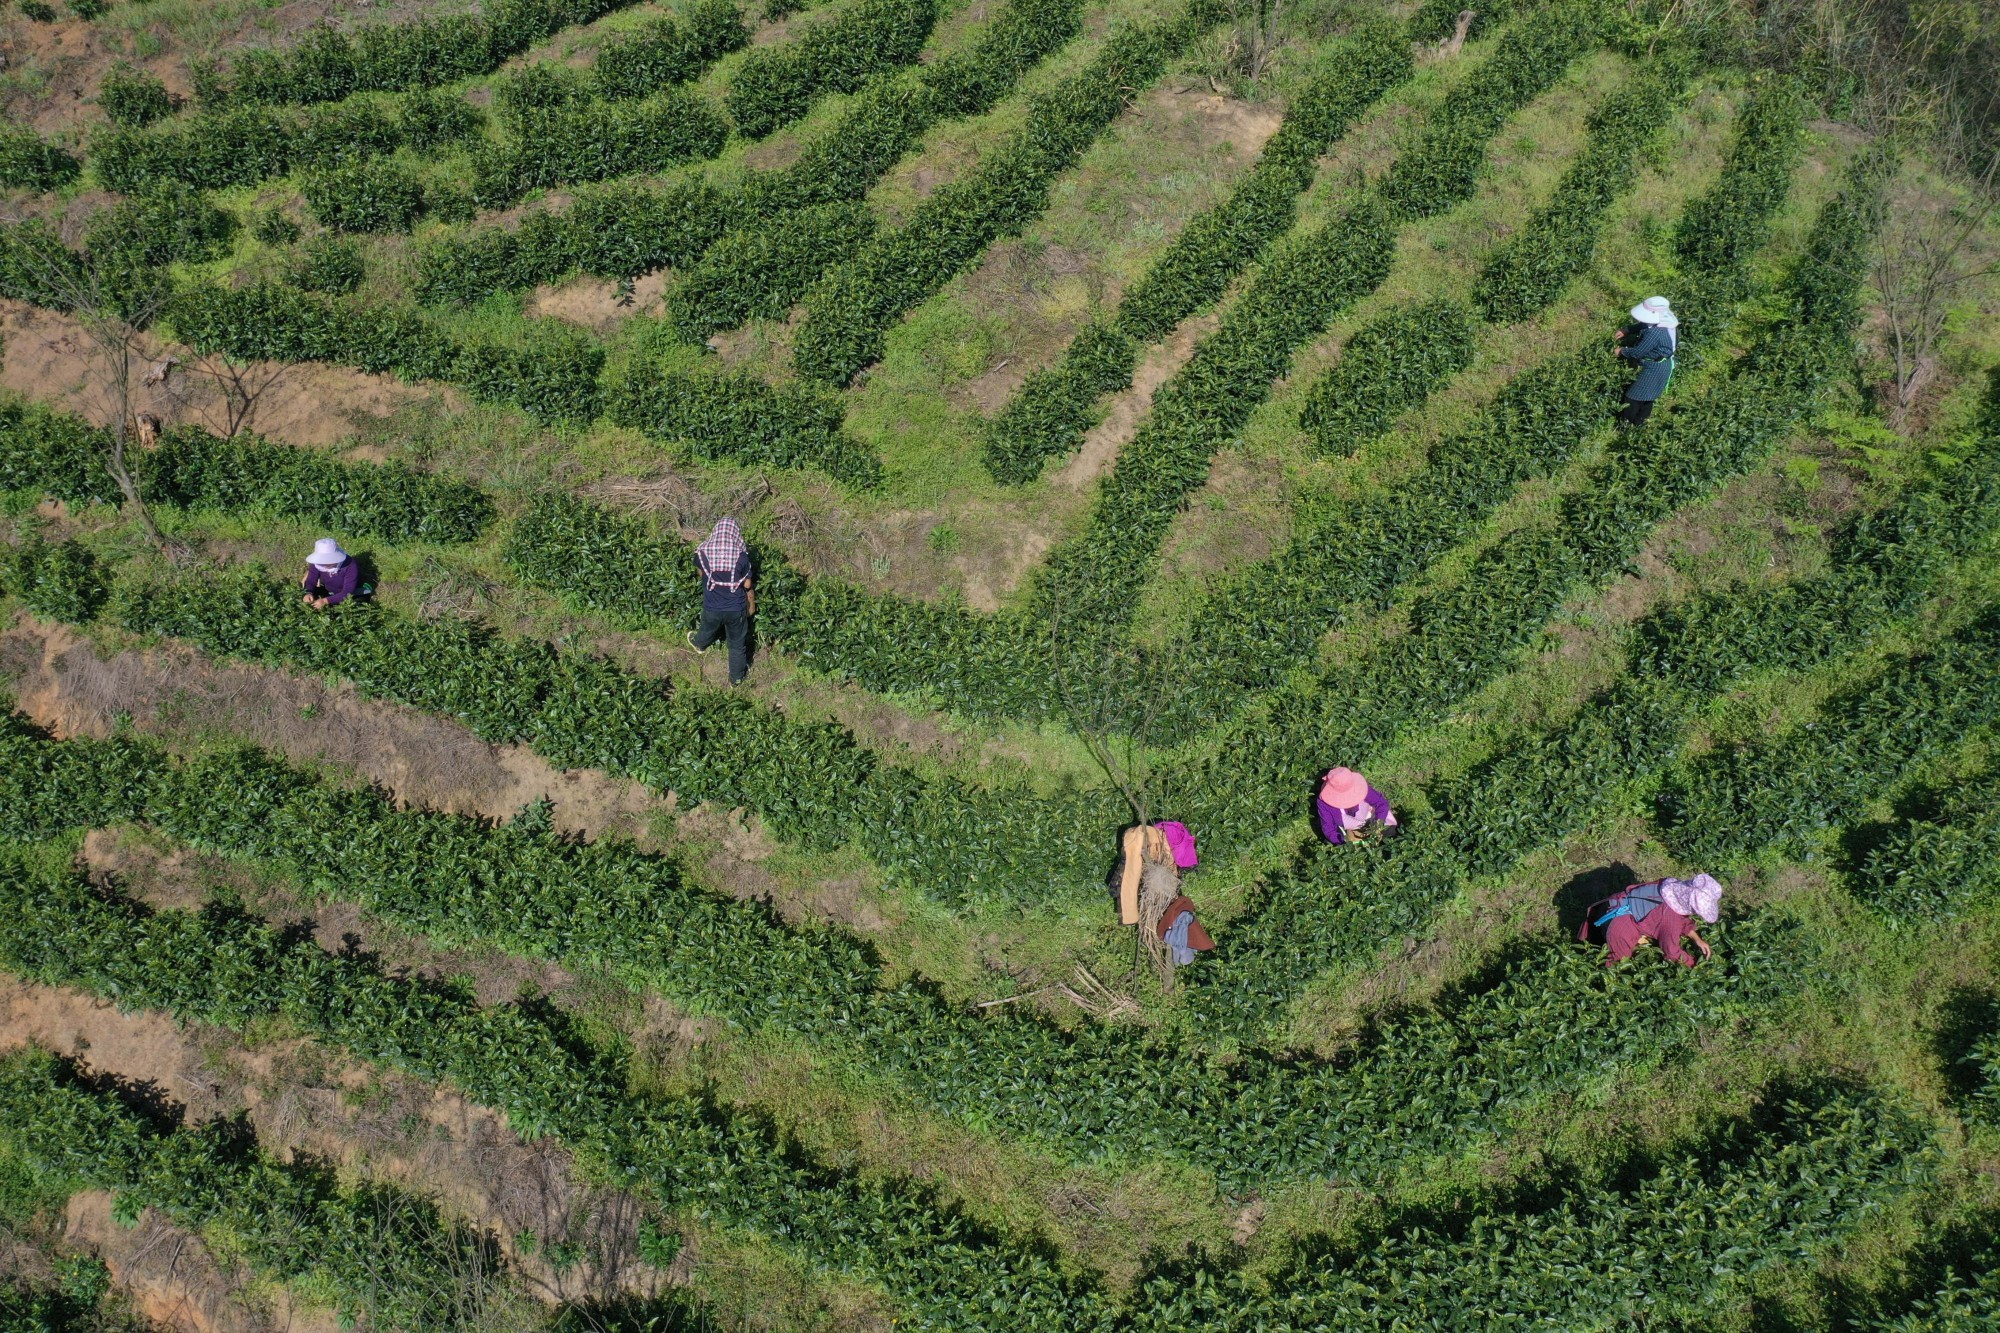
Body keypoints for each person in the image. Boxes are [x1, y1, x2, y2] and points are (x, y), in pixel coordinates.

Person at [1580, 872, 1722, 968]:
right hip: (1618, 926)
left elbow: (1681, 919)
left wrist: (1696, 938)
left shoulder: (1668, 885)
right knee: (1618, 964)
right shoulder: (1670, 919)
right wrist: (1694, 965)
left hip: (1612, 904)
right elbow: (1671, 952)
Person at [687, 517, 755, 686]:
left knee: (707, 627)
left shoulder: (703, 552)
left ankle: (699, 644)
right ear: (734, 533)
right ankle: (736, 679)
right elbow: (747, 584)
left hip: (712, 606)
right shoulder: (741, 555)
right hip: (736, 609)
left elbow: (701, 573)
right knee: (737, 645)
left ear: (716, 531)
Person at [1614, 295, 1678, 427]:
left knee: (1633, 397)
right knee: (1649, 395)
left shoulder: (1655, 333)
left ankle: (1625, 426)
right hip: (1662, 365)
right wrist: (1628, 330)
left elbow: (1637, 352)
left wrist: (1621, 351)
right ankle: (1640, 423)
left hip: (1654, 368)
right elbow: (1645, 325)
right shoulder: (1664, 322)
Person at [1317, 767, 1397, 845]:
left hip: (1370, 821)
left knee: (1390, 832)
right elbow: (1329, 829)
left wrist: (1378, 824)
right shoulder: (1324, 803)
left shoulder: (1361, 788)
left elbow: (1381, 803)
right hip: (1349, 829)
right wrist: (1344, 844)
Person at [300, 537, 358, 609]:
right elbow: (311, 581)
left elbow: (347, 591)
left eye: (328, 560)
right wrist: (308, 593)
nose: (324, 563)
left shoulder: (350, 565)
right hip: (328, 590)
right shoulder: (317, 563)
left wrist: (325, 601)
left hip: (347, 594)